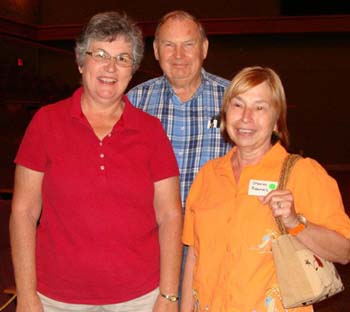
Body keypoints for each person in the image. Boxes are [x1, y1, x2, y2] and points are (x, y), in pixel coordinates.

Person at [10, 11, 182, 312]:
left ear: (132, 70)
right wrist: (26, 294)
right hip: (56, 301)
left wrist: (168, 296)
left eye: (122, 58)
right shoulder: (45, 123)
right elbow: (23, 213)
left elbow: (169, 216)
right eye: (100, 54)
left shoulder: (151, 131)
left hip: (139, 299)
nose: (110, 67)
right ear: (80, 61)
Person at [181, 66, 350, 311]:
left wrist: (295, 223)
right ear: (226, 114)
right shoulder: (208, 175)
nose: (246, 117)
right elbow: (194, 257)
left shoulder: (302, 174)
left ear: (276, 121)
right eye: (238, 105)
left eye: (260, 107)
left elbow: (344, 251)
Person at [127, 10, 232, 210]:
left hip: (212, 234)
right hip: (152, 234)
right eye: (169, 45)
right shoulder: (135, 101)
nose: (178, 55)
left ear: (204, 48)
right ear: (156, 50)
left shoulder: (234, 99)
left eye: (188, 44)